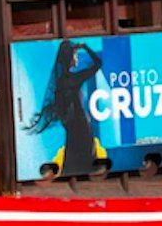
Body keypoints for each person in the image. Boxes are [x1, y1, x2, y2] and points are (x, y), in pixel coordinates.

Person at [24, 40, 105, 177]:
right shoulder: (73, 79)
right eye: (75, 55)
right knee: (85, 156)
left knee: (73, 155)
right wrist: (85, 46)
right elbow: (98, 64)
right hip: (80, 125)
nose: (77, 58)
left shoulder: (60, 81)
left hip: (72, 126)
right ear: (69, 58)